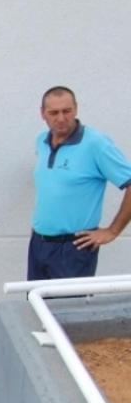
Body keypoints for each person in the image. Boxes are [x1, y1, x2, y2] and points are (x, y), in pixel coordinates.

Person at [29, 86, 131, 280]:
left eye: (66, 111)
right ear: (43, 114)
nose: (60, 118)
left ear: (76, 109)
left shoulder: (96, 144)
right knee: (35, 307)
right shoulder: (41, 141)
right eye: (53, 112)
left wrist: (112, 231)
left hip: (73, 249)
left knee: (67, 310)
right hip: (39, 243)